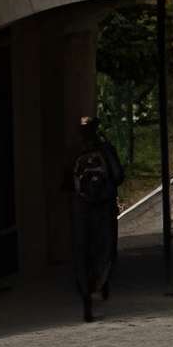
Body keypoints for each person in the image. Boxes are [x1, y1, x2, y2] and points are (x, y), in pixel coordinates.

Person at [68, 113, 123, 321]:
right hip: (103, 207)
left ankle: (85, 296)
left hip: (81, 210)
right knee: (105, 247)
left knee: (81, 251)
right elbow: (118, 175)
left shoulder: (74, 152)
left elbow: (65, 181)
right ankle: (102, 281)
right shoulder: (106, 150)